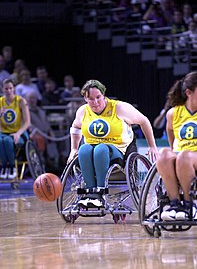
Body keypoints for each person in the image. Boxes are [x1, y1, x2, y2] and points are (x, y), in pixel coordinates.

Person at [67, 79, 158, 208]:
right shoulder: (83, 111)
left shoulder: (119, 108)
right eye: (91, 99)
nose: (95, 102)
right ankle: (90, 192)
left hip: (119, 153)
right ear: (85, 99)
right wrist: (73, 149)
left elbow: (144, 121)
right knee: (84, 150)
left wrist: (152, 146)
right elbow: (75, 128)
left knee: (101, 149)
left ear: (104, 95)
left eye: (98, 97)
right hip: (91, 152)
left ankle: (100, 193)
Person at [156, 71, 197, 221]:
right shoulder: (173, 113)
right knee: (165, 154)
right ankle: (175, 203)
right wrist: (173, 152)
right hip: (182, 156)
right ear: (188, 93)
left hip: (193, 157)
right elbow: (170, 133)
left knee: (184, 156)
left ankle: (189, 204)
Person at [0, 78, 30, 179]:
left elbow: (27, 122)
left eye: (10, 88)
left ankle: (12, 166)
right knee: (1, 140)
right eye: (6, 89)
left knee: (8, 140)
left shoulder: (20, 101)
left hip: (19, 132)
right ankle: (4, 166)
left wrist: (18, 133)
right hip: (3, 132)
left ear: (14, 88)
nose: (8, 91)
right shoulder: (0, 102)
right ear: (2, 89)